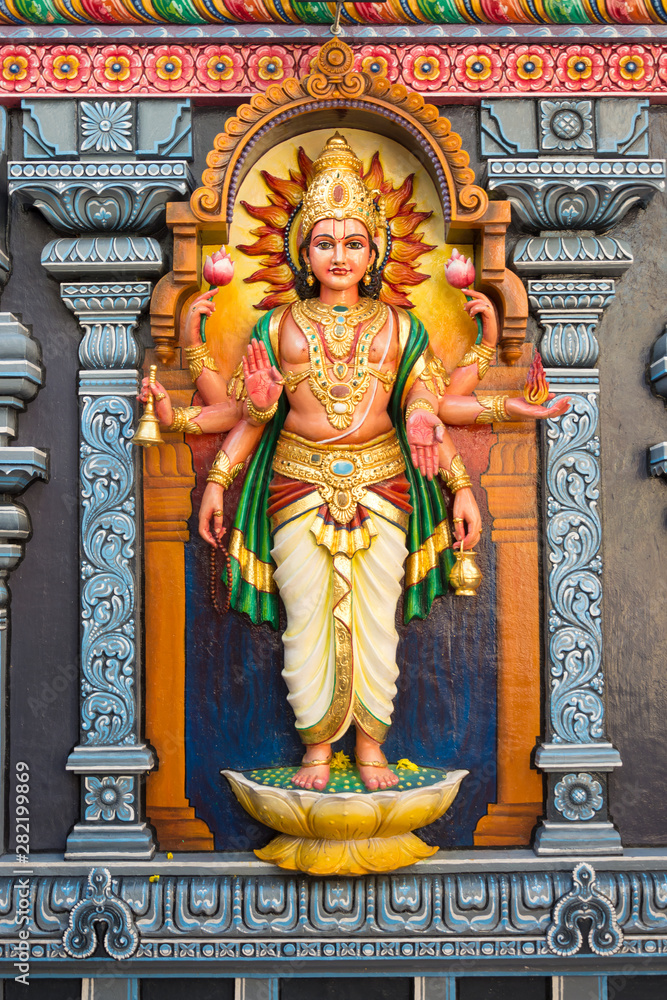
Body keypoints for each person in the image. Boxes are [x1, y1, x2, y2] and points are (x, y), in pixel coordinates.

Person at [140, 133, 569, 793]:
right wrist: (215, 482)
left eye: (352, 243)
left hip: (384, 484)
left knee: (374, 625)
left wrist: (460, 482)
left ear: (373, 253)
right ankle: (316, 752)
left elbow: (423, 411)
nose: (338, 256)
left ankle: (370, 750)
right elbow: (248, 417)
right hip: (295, 484)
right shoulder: (279, 325)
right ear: (302, 253)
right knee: (307, 620)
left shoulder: (400, 328)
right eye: (324, 242)